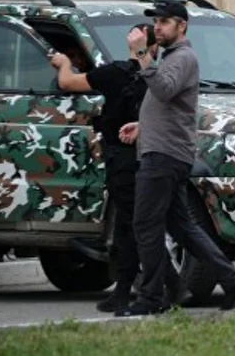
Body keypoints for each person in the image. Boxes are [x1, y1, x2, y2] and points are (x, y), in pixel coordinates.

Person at [115, 1, 235, 317]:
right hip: (166, 151)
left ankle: (152, 298)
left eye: (164, 22)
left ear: (182, 26)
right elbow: (171, 105)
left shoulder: (183, 58)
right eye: (157, 22)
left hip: (163, 158)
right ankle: (233, 280)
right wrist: (143, 125)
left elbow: (163, 90)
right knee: (183, 227)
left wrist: (141, 54)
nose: (158, 27)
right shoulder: (173, 58)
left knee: (145, 225)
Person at [49, 25, 186, 312]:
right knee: (143, 225)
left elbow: (68, 83)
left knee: (133, 227)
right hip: (154, 158)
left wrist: (63, 63)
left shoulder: (114, 73)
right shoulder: (160, 79)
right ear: (155, 49)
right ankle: (151, 288)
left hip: (124, 161)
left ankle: (159, 288)